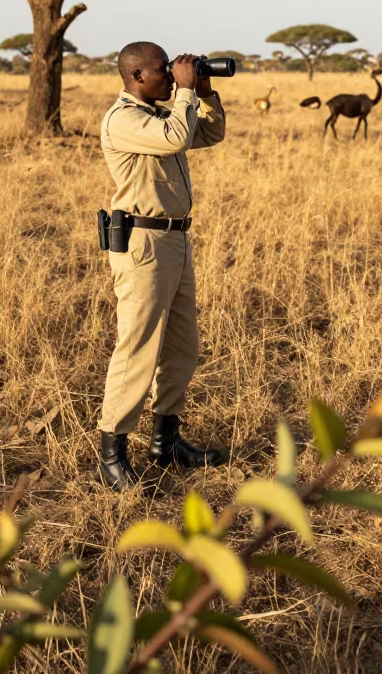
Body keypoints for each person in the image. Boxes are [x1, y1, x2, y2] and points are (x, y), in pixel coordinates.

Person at [97, 42, 227, 491]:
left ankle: (166, 442)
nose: (172, 75)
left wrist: (204, 93)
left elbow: (208, 136)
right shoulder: (124, 119)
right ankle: (112, 452)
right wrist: (186, 94)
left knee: (181, 347)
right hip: (142, 244)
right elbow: (176, 137)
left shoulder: (158, 115)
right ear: (135, 76)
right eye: (162, 69)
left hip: (175, 239)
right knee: (137, 349)